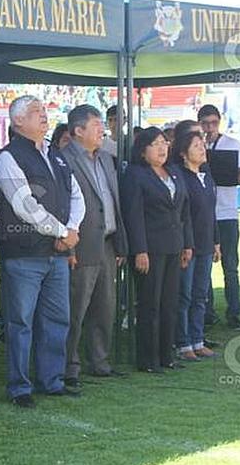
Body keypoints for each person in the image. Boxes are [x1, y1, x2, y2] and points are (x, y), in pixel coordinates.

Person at [0, 95, 84, 408]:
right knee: (21, 323)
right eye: (35, 112)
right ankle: (20, 387)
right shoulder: (8, 158)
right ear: (18, 121)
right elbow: (23, 205)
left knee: (57, 319)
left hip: (56, 254)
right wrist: (62, 231)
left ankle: (52, 380)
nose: (43, 116)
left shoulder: (55, 154)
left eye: (44, 111)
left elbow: (76, 195)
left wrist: (71, 231)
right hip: (23, 254)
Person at [60, 105, 128, 387]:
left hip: (108, 244)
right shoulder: (63, 161)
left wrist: (121, 243)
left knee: (105, 306)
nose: (103, 130)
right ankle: (69, 366)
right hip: (82, 245)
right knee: (76, 309)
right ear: (78, 130)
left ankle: (99, 361)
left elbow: (114, 201)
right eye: (97, 125)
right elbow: (63, 207)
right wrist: (70, 249)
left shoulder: (105, 159)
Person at [121, 127, 193, 373]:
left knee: (170, 303)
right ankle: (148, 359)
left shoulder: (173, 172)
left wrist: (187, 243)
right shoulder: (135, 175)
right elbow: (134, 215)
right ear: (143, 150)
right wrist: (139, 250)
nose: (162, 148)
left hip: (174, 245)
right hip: (150, 249)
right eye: (155, 144)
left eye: (164, 142)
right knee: (150, 304)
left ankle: (166, 355)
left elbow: (184, 211)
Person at [198, 104, 240, 331]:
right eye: (205, 123)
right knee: (203, 265)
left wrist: (226, 173)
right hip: (203, 215)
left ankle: (234, 313)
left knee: (230, 265)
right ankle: (207, 312)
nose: (209, 128)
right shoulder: (195, 146)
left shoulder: (233, 144)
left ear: (220, 122)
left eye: (213, 123)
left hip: (227, 213)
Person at [171, 131, 220, 361]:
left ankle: (198, 339)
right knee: (184, 295)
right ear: (183, 153)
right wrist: (185, 244)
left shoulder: (206, 176)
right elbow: (182, 215)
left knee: (200, 295)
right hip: (188, 245)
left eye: (203, 145)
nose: (202, 149)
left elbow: (212, 213)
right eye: (196, 146)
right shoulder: (179, 177)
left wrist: (216, 242)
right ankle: (183, 343)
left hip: (206, 244)